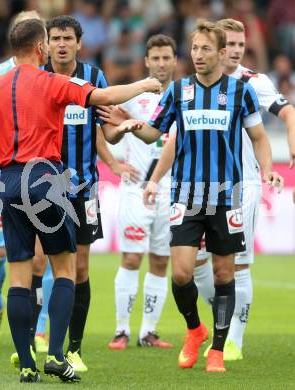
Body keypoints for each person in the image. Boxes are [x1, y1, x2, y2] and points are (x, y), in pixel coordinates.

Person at [0, 18, 162, 383]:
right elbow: (103, 97)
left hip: (9, 183)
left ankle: (26, 362)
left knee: (20, 276)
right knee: (66, 270)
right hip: (47, 182)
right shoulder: (53, 81)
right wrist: (144, 84)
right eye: (52, 41)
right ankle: (57, 355)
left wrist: (3, 157)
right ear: (41, 47)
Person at [112, 20, 282, 373]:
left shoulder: (241, 92)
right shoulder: (178, 91)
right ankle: (195, 330)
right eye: (195, 49)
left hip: (226, 196)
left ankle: (218, 350)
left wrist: (266, 169)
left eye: (206, 49)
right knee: (181, 274)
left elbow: (259, 138)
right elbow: (155, 133)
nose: (199, 55)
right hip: (186, 195)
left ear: (222, 53)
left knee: (224, 274)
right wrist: (130, 124)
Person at [43, 15, 139, 371]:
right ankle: (39, 338)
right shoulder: (38, 77)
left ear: (79, 43)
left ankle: (74, 349)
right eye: (56, 38)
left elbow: (104, 131)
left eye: (68, 37)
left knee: (80, 269)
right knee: (40, 264)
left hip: (83, 187)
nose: (62, 44)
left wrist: (121, 131)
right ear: (47, 43)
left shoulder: (95, 78)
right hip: (43, 186)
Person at [97, 34, 177, 350]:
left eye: (165, 57)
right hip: (135, 189)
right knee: (131, 258)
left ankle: (148, 332)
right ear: (146, 61)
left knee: (160, 262)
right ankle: (121, 330)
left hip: (172, 192)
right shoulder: (132, 96)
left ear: (174, 61)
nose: (160, 63)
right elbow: (101, 125)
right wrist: (114, 165)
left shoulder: (186, 95)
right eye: (154, 58)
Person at [0, 10, 47, 349]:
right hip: (3, 177)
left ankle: (43, 328)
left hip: (42, 179)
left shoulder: (49, 73)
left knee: (42, 254)